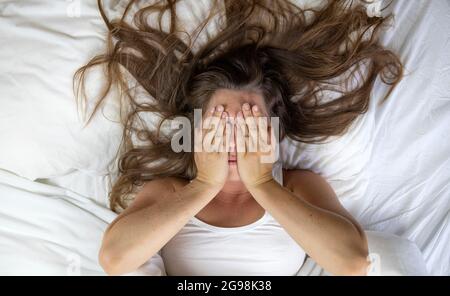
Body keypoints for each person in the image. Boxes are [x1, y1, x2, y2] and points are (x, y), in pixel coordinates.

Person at [74, 0, 403, 275]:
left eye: (249, 124)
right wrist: (204, 185)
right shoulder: (169, 191)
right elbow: (115, 259)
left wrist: (262, 183)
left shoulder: (297, 187)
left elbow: (354, 263)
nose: (234, 140)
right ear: (196, 132)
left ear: (273, 132)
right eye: (219, 125)